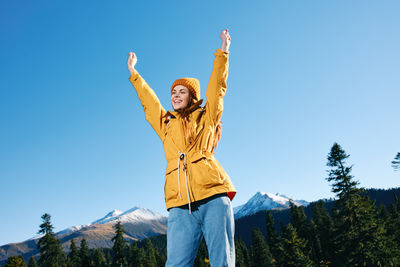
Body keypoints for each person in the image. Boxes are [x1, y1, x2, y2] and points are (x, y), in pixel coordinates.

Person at [127, 29, 236, 267]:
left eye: (181, 92)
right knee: (176, 263)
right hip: (179, 204)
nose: (175, 96)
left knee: (222, 261)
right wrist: (134, 74)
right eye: (173, 92)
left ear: (192, 96)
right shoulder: (166, 124)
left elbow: (217, 88)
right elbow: (150, 103)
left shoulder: (207, 117)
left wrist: (223, 52)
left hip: (213, 196)